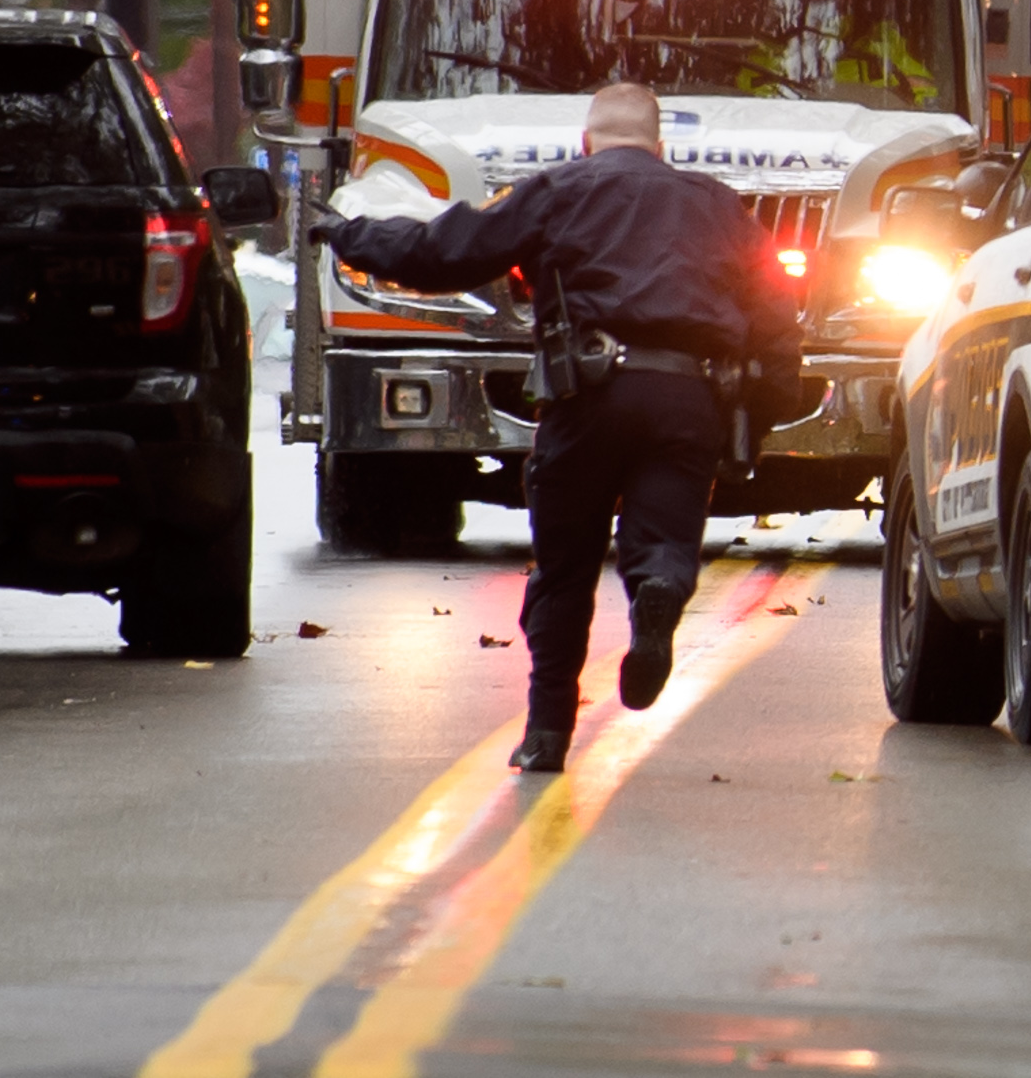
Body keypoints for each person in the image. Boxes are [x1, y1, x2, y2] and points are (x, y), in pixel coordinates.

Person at [315, 82, 793, 773]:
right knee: (662, 537)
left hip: (586, 397)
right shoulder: (718, 204)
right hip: (685, 393)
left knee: (564, 570)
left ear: (585, 142)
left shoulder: (557, 189)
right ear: (661, 148)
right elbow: (777, 312)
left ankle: (546, 733)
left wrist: (350, 233)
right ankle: (658, 587)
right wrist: (763, 408)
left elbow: (443, 252)